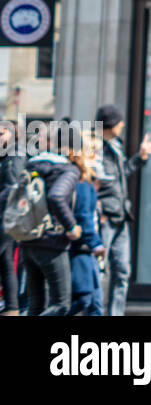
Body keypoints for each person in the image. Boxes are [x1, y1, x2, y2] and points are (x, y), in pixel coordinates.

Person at [95, 103, 151, 315]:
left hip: (120, 217)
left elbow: (122, 175)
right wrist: (98, 209)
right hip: (105, 218)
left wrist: (140, 158)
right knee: (100, 272)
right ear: (111, 124)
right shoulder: (94, 148)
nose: (122, 125)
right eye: (119, 122)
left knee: (122, 271)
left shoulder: (116, 146)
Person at [24, 133, 82, 315]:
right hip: (52, 241)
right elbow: (56, 197)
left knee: (35, 305)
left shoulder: (31, 165)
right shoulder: (67, 170)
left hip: (28, 239)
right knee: (61, 304)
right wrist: (72, 226)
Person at [67, 132, 106, 316]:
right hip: (81, 247)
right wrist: (96, 243)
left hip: (85, 247)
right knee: (86, 300)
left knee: (95, 303)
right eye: (94, 152)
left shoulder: (86, 181)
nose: (97, 157)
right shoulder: (81, 182)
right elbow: (83, 216)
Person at [0, 120, 27, 315]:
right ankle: (11, 307)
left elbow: (13, 188)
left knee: (7, 262)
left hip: (6, 218)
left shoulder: (14, 156)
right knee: (7, 263)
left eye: (2, 134)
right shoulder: (6, 155)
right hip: (6, 218)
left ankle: (12, 307)